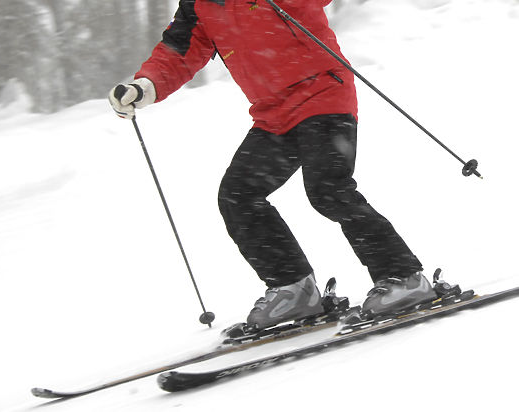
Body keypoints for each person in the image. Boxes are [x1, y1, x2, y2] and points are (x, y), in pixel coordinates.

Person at [108, 0, 437, 329]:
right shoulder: (200, 4)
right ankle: (294, 288)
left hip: (322, 94)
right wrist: (145, 85)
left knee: (327, 188)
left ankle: (403, 277)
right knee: (238, 194)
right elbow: (180, 49)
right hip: (274, 116)